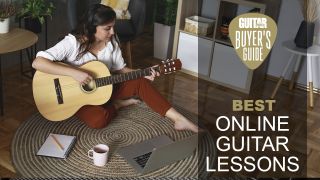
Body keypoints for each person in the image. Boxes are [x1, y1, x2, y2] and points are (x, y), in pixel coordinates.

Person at [32, 4, 199, 133]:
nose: (112, 32)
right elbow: (38, 63)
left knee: (140, 81)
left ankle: (178, 119)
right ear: (92, 28)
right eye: (107, 28)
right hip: (74, 98)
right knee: (98, 120)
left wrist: (145, 72)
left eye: (113, 26)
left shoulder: (111, 43)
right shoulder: (72, 43)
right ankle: (118, 105)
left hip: (106, 86)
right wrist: (75, 73)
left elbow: (121, 70)